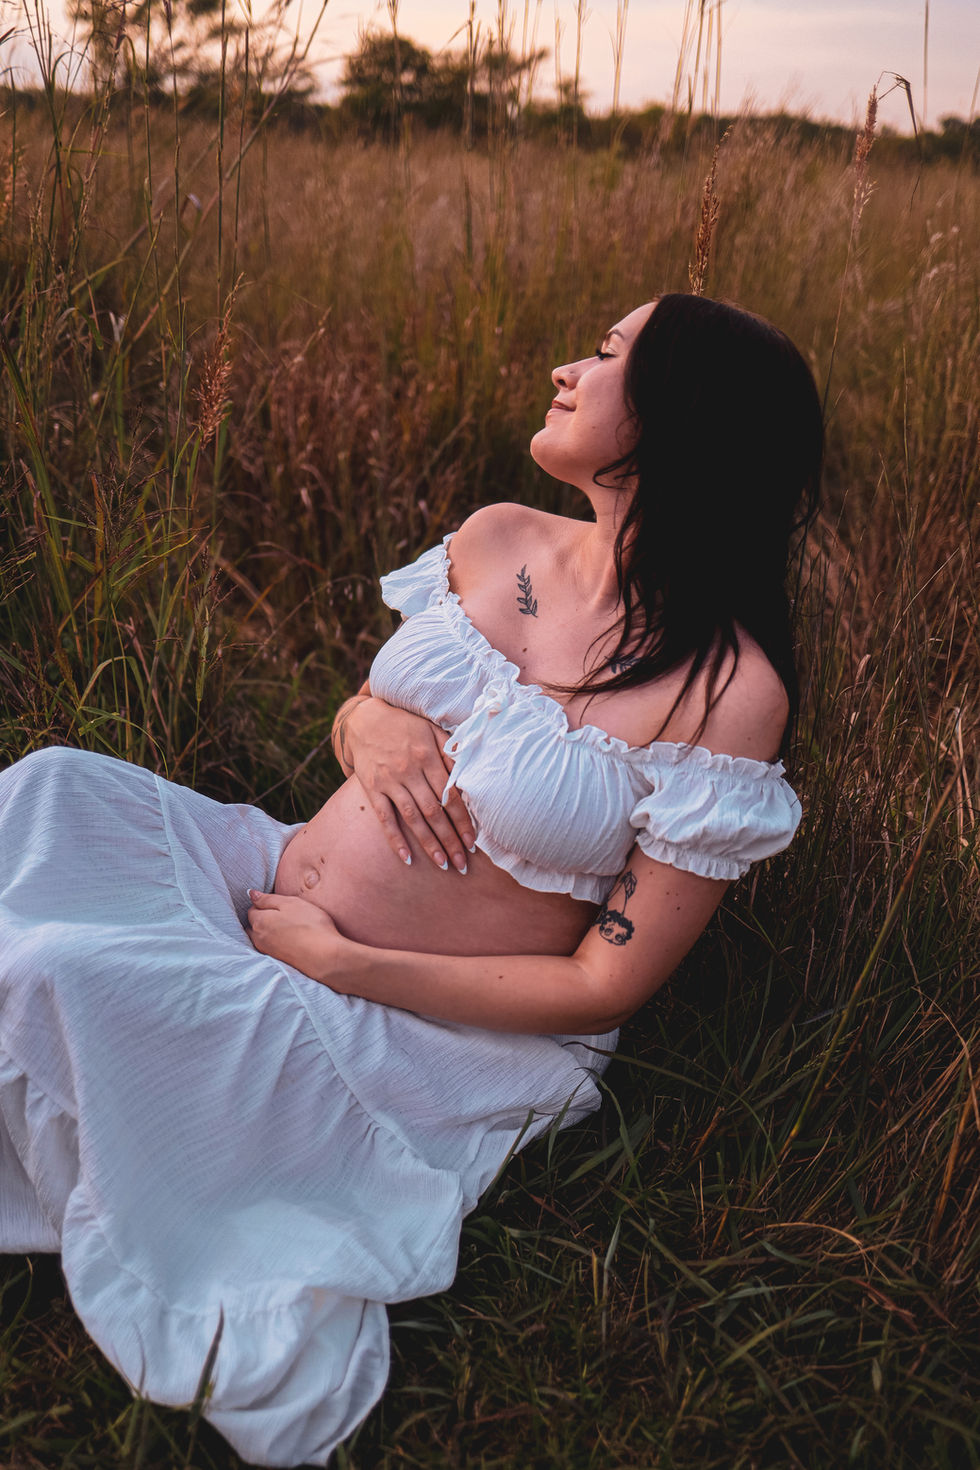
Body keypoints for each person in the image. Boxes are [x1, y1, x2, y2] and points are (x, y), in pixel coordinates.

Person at [0, 295, 823, 1468]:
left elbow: (604, 984)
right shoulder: (498, 540)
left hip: (408, 1010)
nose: (564, 367)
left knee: (56, 971)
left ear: (679, 416)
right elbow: (383, 713)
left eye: (603, 355)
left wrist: (342, 961)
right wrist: (357, 726)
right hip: (273, 874)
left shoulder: (726, 692)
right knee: (52, 790)